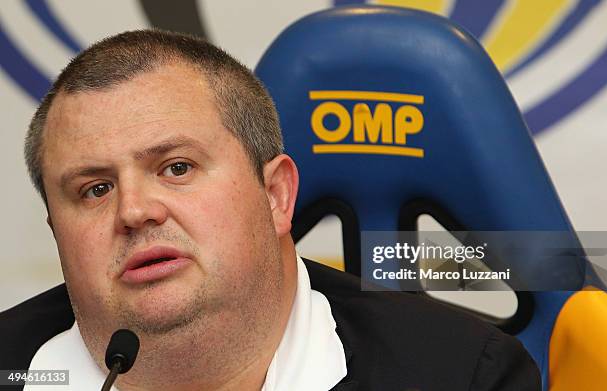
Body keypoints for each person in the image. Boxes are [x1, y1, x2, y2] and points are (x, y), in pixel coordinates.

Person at [0, 30, 540, 391]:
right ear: (57, 231)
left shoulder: (462, 375)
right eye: (95, 189)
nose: (134, 210)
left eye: (176, 168)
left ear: (277, 195)